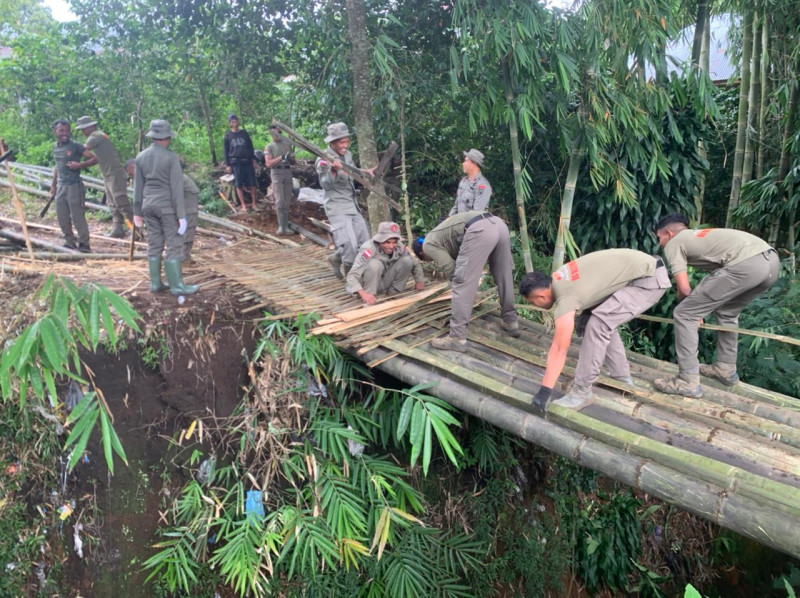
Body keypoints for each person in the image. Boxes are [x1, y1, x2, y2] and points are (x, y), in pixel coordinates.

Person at [520, 249, 671, 414]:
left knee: (598, 324)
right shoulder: (559, 278)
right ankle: (621, 380)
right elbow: (596, 286)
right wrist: (587, 311)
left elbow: (558, 350)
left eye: (533, 302)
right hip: (644, 271)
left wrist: (544, 392)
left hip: (647, 280)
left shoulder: (566, 297)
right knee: (601, 319)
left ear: (542, 296)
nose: (536, 306)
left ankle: (582, 391)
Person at [651, 213, 779, 397]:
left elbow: (684, 289)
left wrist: (692, 310)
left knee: (684, 314)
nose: (660, 243)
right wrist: (698, 307)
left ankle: (687, 381)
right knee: (728, 312)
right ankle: (725, 368)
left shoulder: (675, 243)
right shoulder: (702, 237)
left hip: (746, 264)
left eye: (659, 238)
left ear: (669, 233)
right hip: (771, 263)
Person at [413, 211, 520, 351]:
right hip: (499, 225)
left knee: (461, 282)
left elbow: (453, 271)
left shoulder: (428, 245)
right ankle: (511, 322)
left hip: (480, 230)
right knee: (504, 276)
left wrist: (460, 303)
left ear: (422, 254)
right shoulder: (439, 236)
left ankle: (457, 337)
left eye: (429, 259)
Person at [133, 119, 198, 295]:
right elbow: (177, 189)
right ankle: (177, 286)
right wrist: (181, 215)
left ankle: (156, 283)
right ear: (167, 137)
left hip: (148, 206)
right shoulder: (171, 158)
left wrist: (136, 212)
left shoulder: (140, 157)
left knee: (154, 243)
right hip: (166, 207)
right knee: (174, 243)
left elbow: (137, 187)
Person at [315, 122, 374, 279]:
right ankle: (352, 283)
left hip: (351, 204)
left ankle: (336, 258)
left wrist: (364, 172)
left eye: (347, 141)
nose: (346, 145)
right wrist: (333, 170)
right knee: (349, 245)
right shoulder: (323, 160)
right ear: (333, 142)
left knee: (365, 241)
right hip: (337, 206)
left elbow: (351, 169)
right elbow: (326, 185)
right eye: (342, 142)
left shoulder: (347, 155)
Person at [126, 158, 198, 263]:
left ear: (134, 167)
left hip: (186, 193)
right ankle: (177, 251)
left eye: (132, 173)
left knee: (186, 220)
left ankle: (184, 254)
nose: (133, 177)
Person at [74, 116, 135, 238]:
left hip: (114, 174)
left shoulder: (96, 135)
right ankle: (118, 228)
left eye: (83, 129)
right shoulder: (98, 136)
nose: (82, 132)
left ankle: (135, 229)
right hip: (109, 174)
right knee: (112, 203)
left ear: (90, 127)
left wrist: (70, 149)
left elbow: (83, 149)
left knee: (121, 202)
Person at [346, 221, 425, 304]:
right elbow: (352, 275)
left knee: (407, 261)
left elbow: (414, 263)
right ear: (379, 240)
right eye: (387, 242)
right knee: (375, 264)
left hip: (384, 280)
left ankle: (394, 293)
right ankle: (370, 297)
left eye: (394, 242)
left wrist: (419, 280)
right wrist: (364, 294)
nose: (391, 246)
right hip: (368, 285)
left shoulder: (399, 246)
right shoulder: (368, 249)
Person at [50, 119, 93, 252]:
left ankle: (84, 244)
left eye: (67, 131)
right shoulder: (56, 147)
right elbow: (57, 166)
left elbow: (94, 158)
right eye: (61, 130)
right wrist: (53, 185)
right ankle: (69, 241)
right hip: (61, 186)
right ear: (55, 132)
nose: (65, 133)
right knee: (62, 215)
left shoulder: (76, 146)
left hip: (74, 186)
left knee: (77, 216)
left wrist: (80, 165)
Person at [264, 124, 296, 235]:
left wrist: (290, 158)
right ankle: (281, 227)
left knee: (287, 199)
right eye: (274, 133)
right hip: (276, 173)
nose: (276, 135)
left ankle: (285, 226)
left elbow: (293, 161)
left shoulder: (287, 144)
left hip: (287, 172)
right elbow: (268, 163)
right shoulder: (269, 147)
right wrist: (281, 158)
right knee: (280, 199)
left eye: (278, 133)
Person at [223, 114, 258, 213]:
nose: (234, 123)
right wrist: (228, 165)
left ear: (238, 122)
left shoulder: (244, 133)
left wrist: (254, 160)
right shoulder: (228, 136)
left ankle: (254, 204)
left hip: (247, 161)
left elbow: (250, 147)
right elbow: (226, 151)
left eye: (235, 121)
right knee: (238, 184)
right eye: (232, 122)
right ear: (230, 124)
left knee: (252, 183)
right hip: (236, 162)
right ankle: (243, 206)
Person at [448, 149, 492, 216]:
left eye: (466, 161)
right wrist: (449, 219)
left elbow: (477, 214)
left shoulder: (483, 185)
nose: (463, 164)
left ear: (474, 163)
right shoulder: (463, 181)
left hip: (474, 224)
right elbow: (457, 204)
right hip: (460, 221)